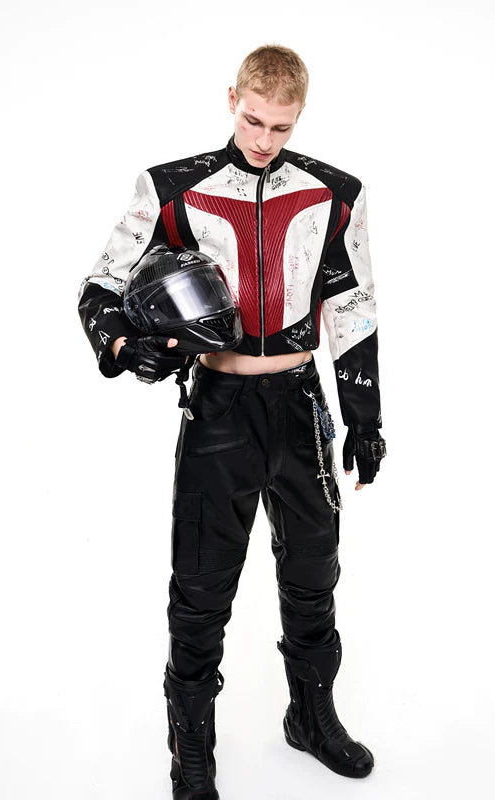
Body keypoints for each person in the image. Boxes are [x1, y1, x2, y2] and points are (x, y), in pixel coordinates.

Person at [78, 44, 386, 800]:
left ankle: (311, 717)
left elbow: (353, 307)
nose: (264, 139)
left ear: (299, 116)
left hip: (302, 407)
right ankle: (192, 752)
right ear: (232, 100)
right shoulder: (172, 189)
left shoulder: (335, 193)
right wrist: (121, 346)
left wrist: (365, 417)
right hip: (218, 407)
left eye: (281, 127)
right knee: (202, 586)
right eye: (253, 120)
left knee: (314, 573)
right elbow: (101, 287)